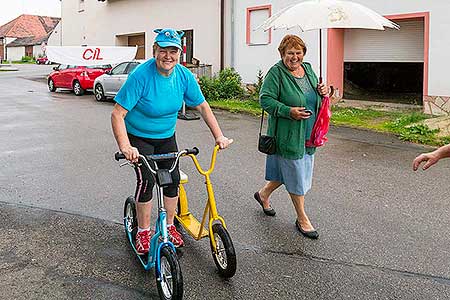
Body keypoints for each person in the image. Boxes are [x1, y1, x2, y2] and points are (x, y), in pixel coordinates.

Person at [111, 28, 233, 254]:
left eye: (173, 51)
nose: (168, 56)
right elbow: (117, 114)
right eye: (163, 50)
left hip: (166, 136)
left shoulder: (183, 76)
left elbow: (203, 107)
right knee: (147, 181)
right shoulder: (141, 75)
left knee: (172, 180)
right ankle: (143, 232)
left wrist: (219, 136)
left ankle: (169, 225)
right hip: (139, 137)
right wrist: (126, 146)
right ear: (154, 50)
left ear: (180, 53)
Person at [254, 34, 329, 239]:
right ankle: (302, 218)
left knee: (286, 171)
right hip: (287, 134)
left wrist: (324, 90)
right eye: (290, 53)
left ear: (304, 53)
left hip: (308, 132)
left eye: (298, 53)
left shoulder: (310, 70)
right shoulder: (276, 73)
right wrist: (289, 111)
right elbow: (265, 100)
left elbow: (317, 94)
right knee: (296, 175)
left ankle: (263, 195)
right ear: (282, 54)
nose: (294, 57)